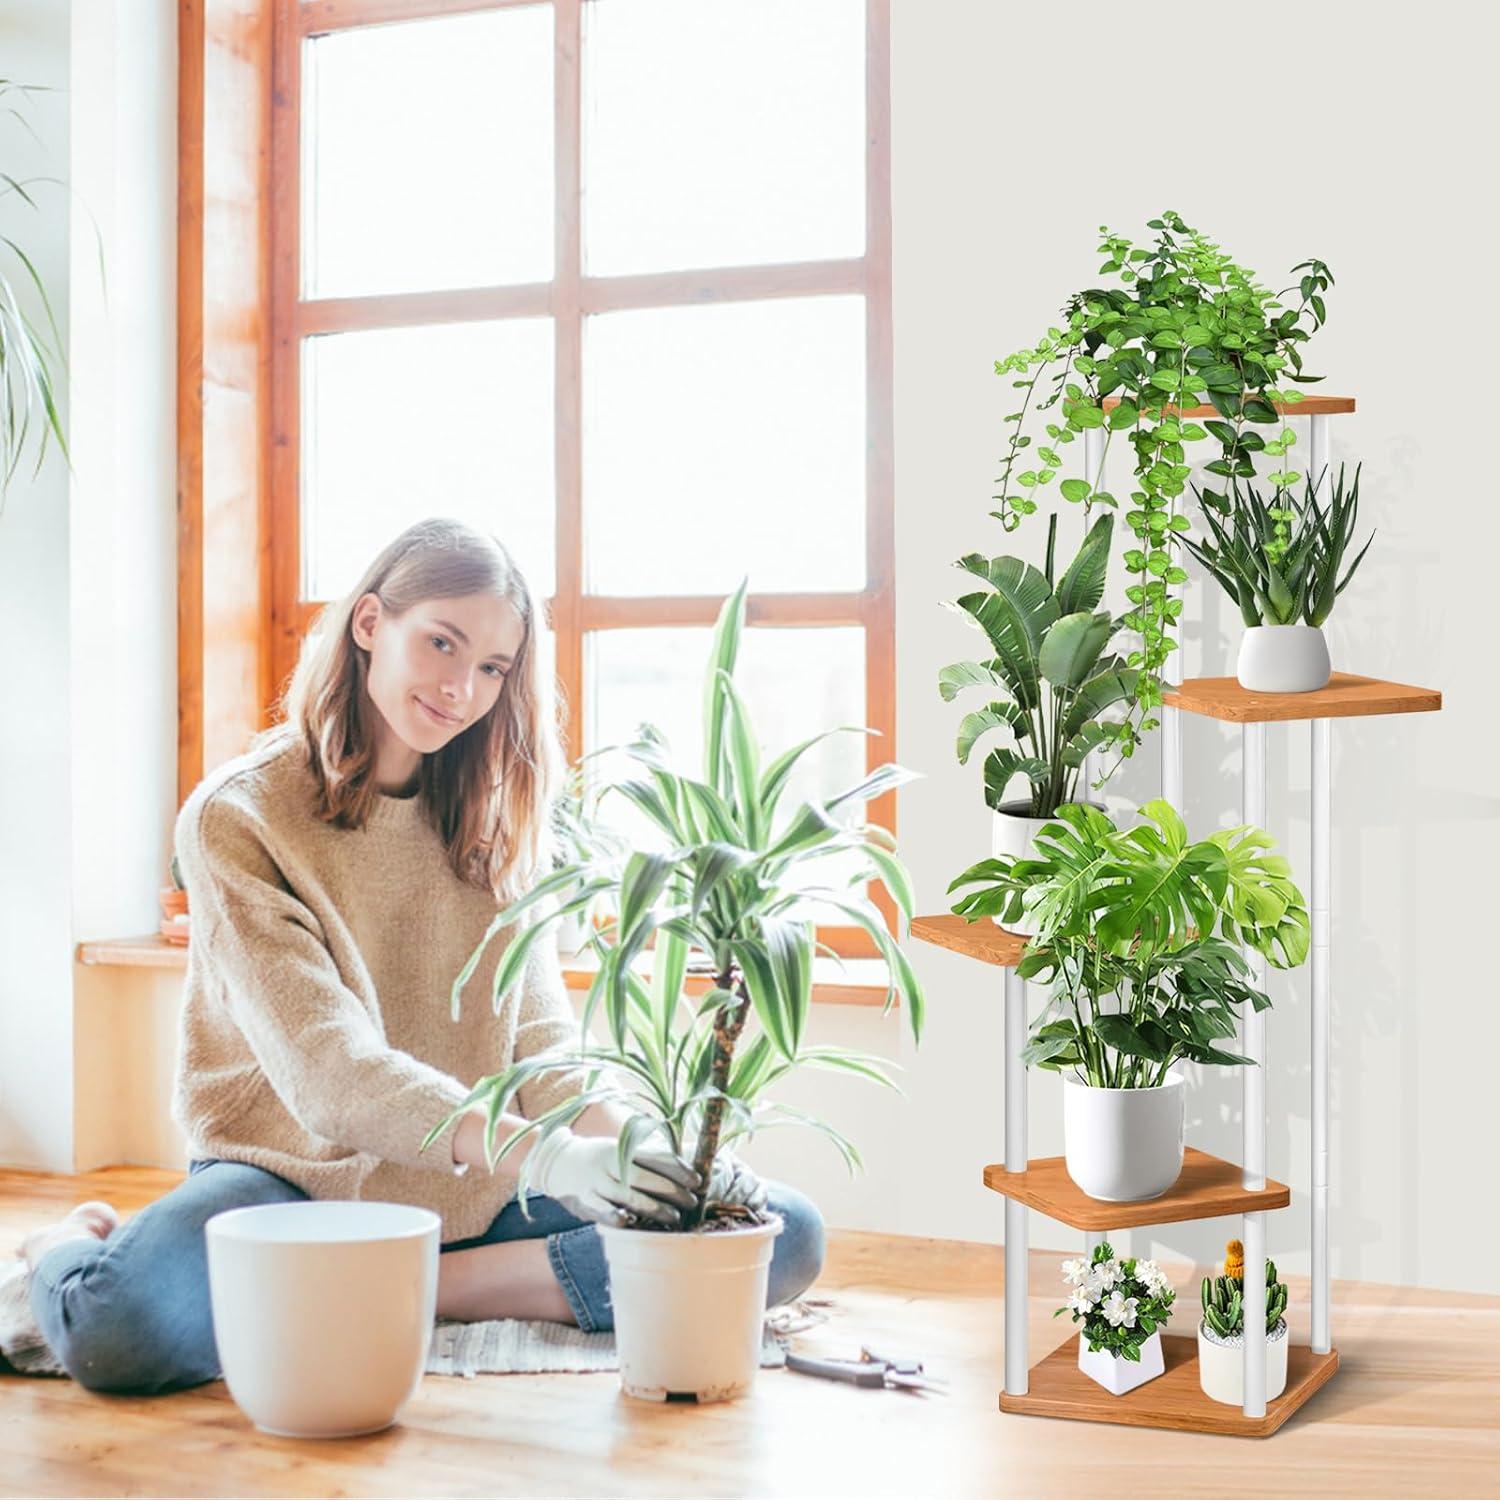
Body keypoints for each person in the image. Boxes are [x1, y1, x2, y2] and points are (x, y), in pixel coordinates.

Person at [17, 518, 824, 1394]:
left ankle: (411, 1287)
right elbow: (332, 1075)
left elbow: (544, 1045)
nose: (461, 688)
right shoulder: (238, 820)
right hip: (293, 1187)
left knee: (780, 1234)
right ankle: (64, 1246)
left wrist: (641, 1148)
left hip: (474, 1196)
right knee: (119, 1328)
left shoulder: (496, 819)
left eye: (492, 668)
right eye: (441, 642)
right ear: (369, 623)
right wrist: (551, 1159)